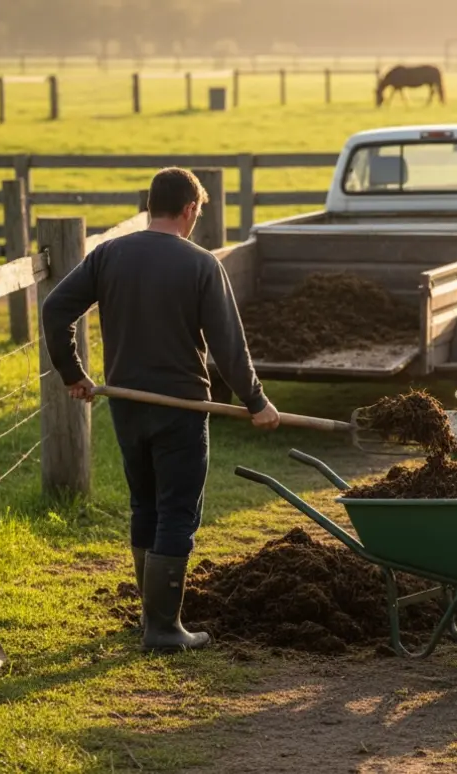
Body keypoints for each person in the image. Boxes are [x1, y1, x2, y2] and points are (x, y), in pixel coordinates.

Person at [42, 167, 280, 652]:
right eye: (197, 214)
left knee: (145, 504)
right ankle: (165, 629)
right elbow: (228, 348)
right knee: (176, 512)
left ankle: (151, 619)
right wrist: (257, 402)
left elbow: (54, 309)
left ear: (151, 204)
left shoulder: (109, 254)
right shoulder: (200, 264)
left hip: (127, 404)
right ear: (190, 209)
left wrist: (73, 374)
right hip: (181, 408)